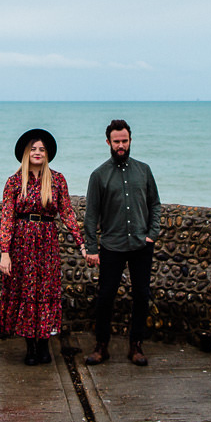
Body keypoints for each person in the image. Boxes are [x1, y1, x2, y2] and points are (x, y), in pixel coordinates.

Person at [0, 128, 87, 366]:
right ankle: (30, 346)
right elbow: (7, 217)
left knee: (45, 291)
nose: (38, 153)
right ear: (27, 153)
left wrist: (82, 243)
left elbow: (67, 212)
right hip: (22, 243)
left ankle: (44, 343)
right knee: (26, 291)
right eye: (34, 149)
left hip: (47, 243)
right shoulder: (15, 181)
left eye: (42, 149)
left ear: (47, 154)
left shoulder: (57, 179)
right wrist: (4, 252)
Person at [83, 118, 161, 366]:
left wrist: (152, 234)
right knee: (105, 296)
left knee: (141, 295)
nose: (121, 146)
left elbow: (155, 205)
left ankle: (136, 346)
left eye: (124, 141)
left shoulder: (144, 170)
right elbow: (91, 215)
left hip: (141, 245)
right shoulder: (99, 175)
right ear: (108, 142)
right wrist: (92, 248)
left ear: (130, 141)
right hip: (111, 246)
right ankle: (101, 346)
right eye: (116, 141)